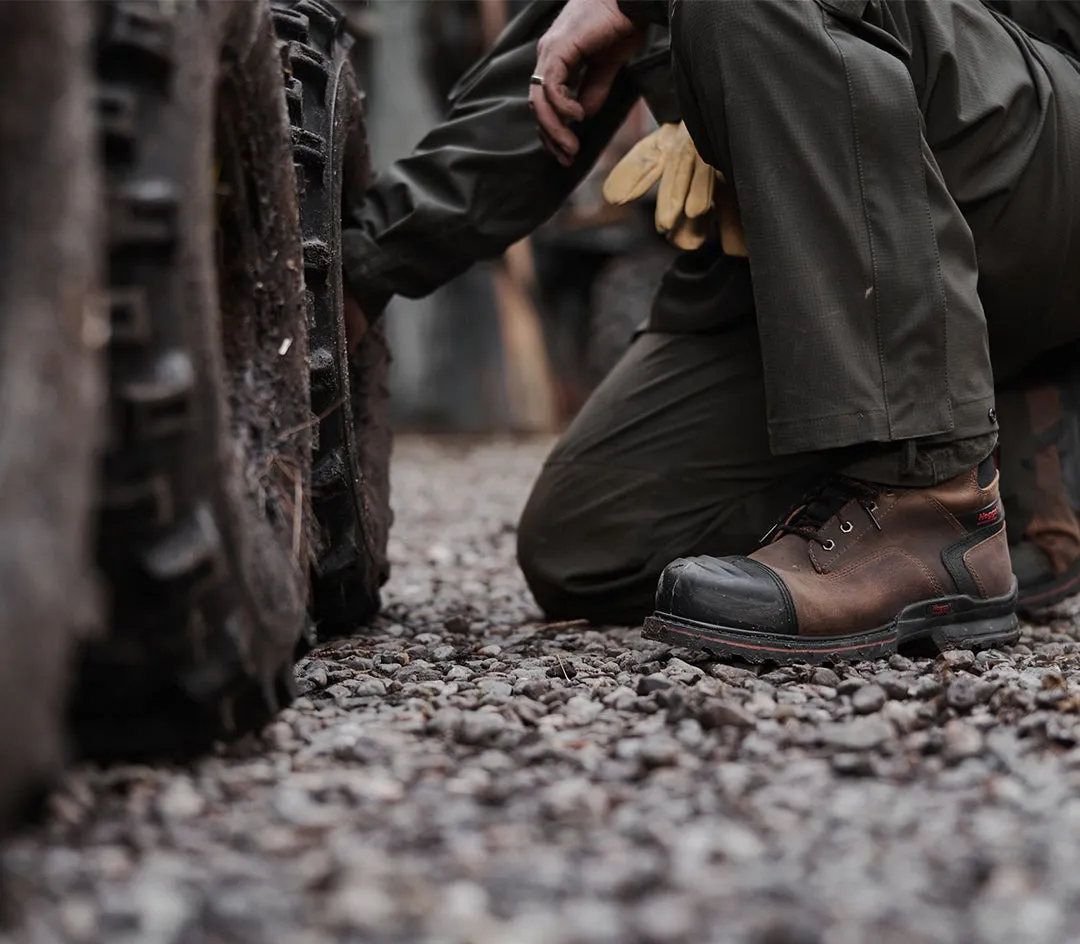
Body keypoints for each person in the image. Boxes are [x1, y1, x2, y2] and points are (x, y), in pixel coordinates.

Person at [343, 0, 1080, 661]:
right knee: (593, 545)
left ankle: (932, 499)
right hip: (831, 236)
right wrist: (365, 265)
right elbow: (554, 72)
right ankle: (994, 456)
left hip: (1036, 153)